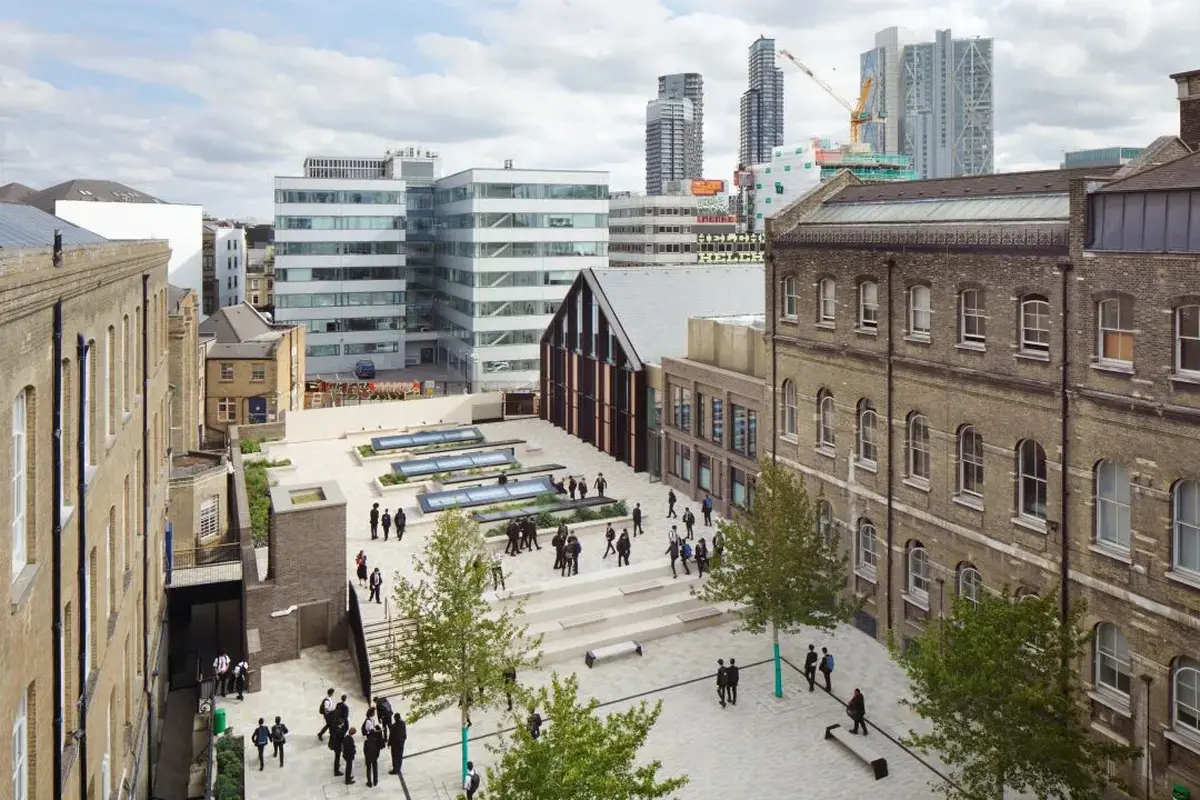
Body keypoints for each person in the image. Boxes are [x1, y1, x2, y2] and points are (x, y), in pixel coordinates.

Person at [329, 705, 348, 777]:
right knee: (337, 757)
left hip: (335, 743)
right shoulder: (338, 730)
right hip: (337, 745)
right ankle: (336, 771)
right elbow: (342, 736)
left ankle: (336, 767)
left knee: (337, 757)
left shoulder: (334, 727)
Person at [363, 721, 383, 787]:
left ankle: (369, 783)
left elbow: (364, 750)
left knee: (368, 769)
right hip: (374, 757)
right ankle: (375, 781)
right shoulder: (376, 741)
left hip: (368, 757)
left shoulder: (366, 741)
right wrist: (377, 756)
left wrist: (366, 756)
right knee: (375, 769)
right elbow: (378, 750)